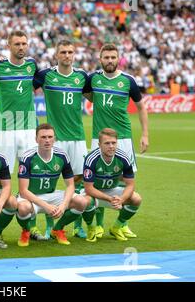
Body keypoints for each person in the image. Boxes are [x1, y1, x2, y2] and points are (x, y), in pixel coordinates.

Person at [83, 43, 149, 239]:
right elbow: (87, 94)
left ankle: (121, 223)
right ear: (100, 59)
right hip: (99, 137)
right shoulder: (93, 78)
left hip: (124, 138)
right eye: (106, 57)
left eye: (113, 57)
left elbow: (141, 107)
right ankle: (99, 225)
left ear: (118, 59)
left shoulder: (128, 80)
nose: (110, 61)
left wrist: (145, 134)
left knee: (127, 180)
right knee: (98, 180)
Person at [0, 30, 44, 241]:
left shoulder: (31, 65)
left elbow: (35, 84)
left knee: (31, 176)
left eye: (24, 43)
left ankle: (31, 227)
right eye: (17, 44)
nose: (21, 47)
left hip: (28, 128)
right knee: (0, 177)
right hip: (5, 128)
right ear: (9, 45)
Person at [33, 39, 89, 239]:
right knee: (48, 182)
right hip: (55, 139)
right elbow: (24, 91)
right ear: (56, 55)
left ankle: (76, 226)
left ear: (74, 54)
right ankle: (49, 225)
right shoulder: (46, 75)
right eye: (63, 52)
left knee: (80, 182)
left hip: (78, 137)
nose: (67, 55)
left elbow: (93, 96)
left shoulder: (82, 77)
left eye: (70, 52)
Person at [15, 123, 90, 247]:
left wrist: (63, 205)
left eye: (50, 137)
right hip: (31, 197)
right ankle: (26, 231)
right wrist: (47, 206)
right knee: (23, 208)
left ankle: (58, 229)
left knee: (82, 202)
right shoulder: (28, 157)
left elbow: (71, 185)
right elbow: (23, 191)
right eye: (43, 137)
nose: (47, 140)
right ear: (36, 139)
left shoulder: (62, 156)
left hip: (51, 195)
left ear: (54, 139)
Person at [83, 128, 142, 241]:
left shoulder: (123, 157)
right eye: (107, 143)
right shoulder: (91, 159)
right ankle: (91, 228)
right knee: (85, 202)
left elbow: (130, 185)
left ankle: (116, 227)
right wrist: (110, 199)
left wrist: (121, 199)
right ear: (99, 144)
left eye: (113, 143)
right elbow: (89, 189)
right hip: (94, 192)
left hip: (112, 190)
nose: (111, 146)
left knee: (136, 199)